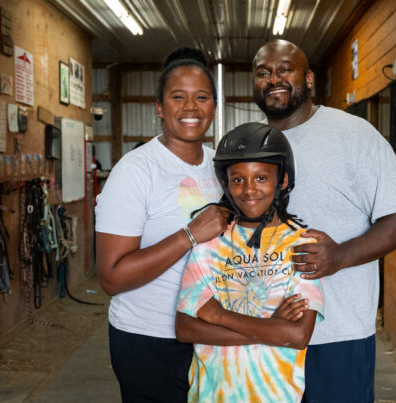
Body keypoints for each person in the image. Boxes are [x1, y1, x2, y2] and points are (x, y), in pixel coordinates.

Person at [251, 40, 396, 402]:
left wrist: (341, 256)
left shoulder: (353, 134)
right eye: (263, 73)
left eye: (285, 69)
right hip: (263, 332)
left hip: (338, 335)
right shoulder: (251, 144)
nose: (274, 79)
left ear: (309, 78)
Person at [95, 47, 233, 402]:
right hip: (150, 339)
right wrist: (190, 234)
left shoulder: (220, 168)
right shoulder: (136, 171)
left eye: (202, 97)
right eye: (178, 97)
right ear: (159, 107)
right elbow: (111, 277)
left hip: (208, 333)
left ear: (214, 109)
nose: (191, 107)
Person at [176, 123, 324, 402]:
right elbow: (185, 329)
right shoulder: (209, 244)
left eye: (261, 178)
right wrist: (271, 328)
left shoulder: (302, 246)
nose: (248, 189)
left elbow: (297, 334)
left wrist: (220, 316)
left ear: (281, 181)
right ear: (226, 184)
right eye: (237, 179)